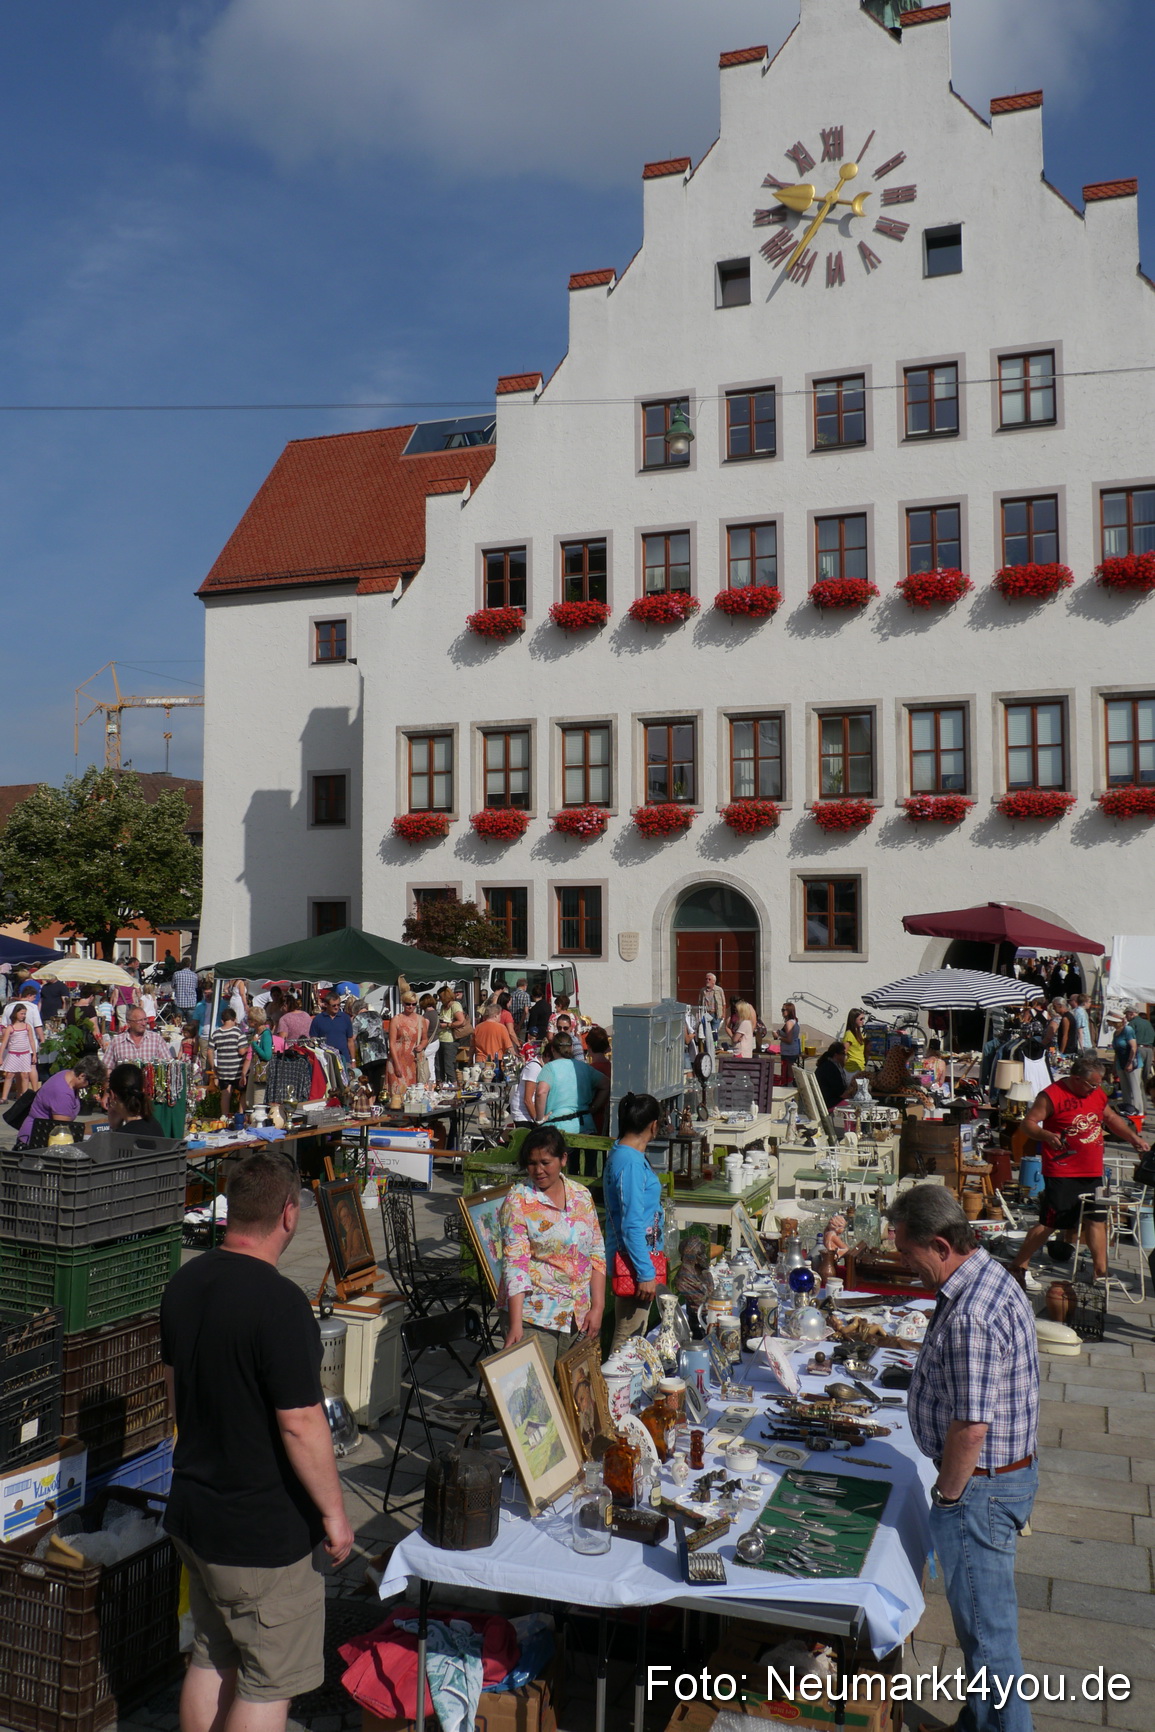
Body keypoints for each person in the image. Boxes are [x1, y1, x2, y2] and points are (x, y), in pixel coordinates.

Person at [161, 1150, 353, 1730]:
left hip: (196, 1509)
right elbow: (300, 1421)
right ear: (289, 1213)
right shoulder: (280, 1303)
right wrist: (335, 1512)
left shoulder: (186, 1279)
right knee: (270, 1681)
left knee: (212, 1654)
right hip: (258, 1530)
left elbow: (176, 1394)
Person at [887, 1184, 1038, 1732]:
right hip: (999, 1481)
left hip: (982, 1490)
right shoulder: (984, 1276)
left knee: (990, 1638)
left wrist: (948, 1497)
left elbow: (972, 1427)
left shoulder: (970, 1312)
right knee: (980, 1627)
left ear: (941, 1244)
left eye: (909, 1253)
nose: (907, 1266)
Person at [1010, 1054, 1148, 1284]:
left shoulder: (1096, 1093)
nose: (1096, 1089)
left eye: (1099, 1084)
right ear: (1075, 1078)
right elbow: (1028, 1123)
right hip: (1062, 1169)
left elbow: (1111, 1118)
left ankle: (1101, 1273)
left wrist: (1133, 1138)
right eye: (1092, 1084)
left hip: (1092, 1170)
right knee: (1050, 1223)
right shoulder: (1052, 1095)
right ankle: (1018, 1266)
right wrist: (1045, 1134)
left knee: (1097, 1219)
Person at [499, 1126, 606, 1371]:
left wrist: (597, 1307)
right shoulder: (518, 1200)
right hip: (534, 1315)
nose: (539, 1170)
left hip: (579, 1315)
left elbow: (597, 1253)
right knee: (539, 1395)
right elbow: (515, 1265)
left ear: (563, 1159)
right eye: (532, 1163)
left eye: (546, 1162)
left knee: (576, 1396)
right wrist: (515, 1325)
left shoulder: (581, 1195)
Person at [603, 1092, 666, 1349]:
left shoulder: (624, 1155)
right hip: (635, 1261)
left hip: (637, 1257)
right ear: (653, 1125)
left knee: (633, 1336)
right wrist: (645, 1272)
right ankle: (615, 1389)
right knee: (628, 1339)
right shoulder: (629, 1162)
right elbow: (631, 1223)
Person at [17, 1056, 106, 1146]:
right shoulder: (63, 1094)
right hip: (35, 1141)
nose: (89, 1086)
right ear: (82, 1075)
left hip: (39, 1135)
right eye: (90, 1083)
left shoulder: (65, 1074)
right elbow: (62, 1129)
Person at [531, 1032, 607, 1134]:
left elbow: (541, 1092)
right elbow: (606, 1084)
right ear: (571, 1048)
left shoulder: (549, 1068)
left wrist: (540, 1119)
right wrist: (594, 1107)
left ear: (553, 1049)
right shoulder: (584, 1067)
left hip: (558, 1129)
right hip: (585, 1126)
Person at [107, 1005, 179, 1070]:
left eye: (145, 1019)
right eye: (140, 1020)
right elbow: (107, 1067)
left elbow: (168, 1065)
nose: (144, 1023)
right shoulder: (117, 1042)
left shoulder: (156, 1039)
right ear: (129, 1022)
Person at [383, 992, 424, 1093]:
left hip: (412, 1060)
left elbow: (425, 1038)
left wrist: (422, 1045)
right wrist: (397, 1065)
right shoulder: (396, 1019)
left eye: (414, 1004)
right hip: (397, 1058)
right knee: (396, 1091)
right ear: (403, 1003)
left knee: (411, 1092)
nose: (411, 1006)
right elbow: (391, 1043)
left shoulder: (421, 1019)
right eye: (408, 1004)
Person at [210, 1009, 247, 1117]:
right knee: (243, 1092)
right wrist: (249, 1047)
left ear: (222, 1021)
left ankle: (224, 1116)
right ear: (235, 1019)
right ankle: (240, 1115)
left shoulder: (216, 1033)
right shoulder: (238, 1032)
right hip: (237, 1069)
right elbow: (241, 1051)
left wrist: (213, 1066)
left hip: (223, 1069)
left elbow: (209, 1051)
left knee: (225, 1093)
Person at [0, 1003, 39, 1101]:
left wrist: (34, 1053)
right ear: (16, 1013)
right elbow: (4, 1043)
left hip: (25, 1053)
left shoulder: (27, 1026)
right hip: (13, 1054)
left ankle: (23, 1096)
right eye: (22, 1013)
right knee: (9, 1075)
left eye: (25, 1014)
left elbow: (31, 1040)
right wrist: (0, 1056)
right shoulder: (11, 1027)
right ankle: (4, 1097)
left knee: (25, 1075)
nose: (23, 1016)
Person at [1109, 1012, 1144, 1117]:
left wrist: (1130, 1063)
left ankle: (1139, 1112)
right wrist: (1114, 1065)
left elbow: (1133, 1047)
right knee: (1125, 1089)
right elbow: (1116, 1051)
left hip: (1132, 1063)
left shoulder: (1127, 1030)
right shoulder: (1115, 1033)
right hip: (1121, 1063)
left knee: (1135, 1088)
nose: (1107, 1022)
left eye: (1108, 1020)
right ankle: (1128, 1110)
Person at [309, 991, 354, 1064]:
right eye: (334, 1005)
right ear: (326, 1005)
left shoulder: (345, 1018)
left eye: (338, 1005)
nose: (336, 1007)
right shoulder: (318, 1019)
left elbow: (350, 1040)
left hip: (344, 1059)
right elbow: (313, 1040)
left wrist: (353, 1060)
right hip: (325, 1060)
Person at [435, 985, 467, 1085]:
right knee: (440, 1066)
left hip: (450, 1040)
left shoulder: (455, 1005)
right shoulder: (443, 1007)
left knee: (449, 1065)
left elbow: (461, 1021)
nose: (439, 1000)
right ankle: (442, 1086)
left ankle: (454, 1086)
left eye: (440, 997)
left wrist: (448, 1025)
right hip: (441, 1039)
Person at [583, 1026, 612, 1134]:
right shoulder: (611, 1067)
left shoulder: (591, 1070)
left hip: (593, 1118)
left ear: (589, 1046)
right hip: (607, 1116)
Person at [815, 1039, 854, 1112]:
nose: (845, 1056)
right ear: (836, 1055)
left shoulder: (826, 1064)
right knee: (856, 1104)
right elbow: (841, 1092)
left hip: (822, 1101)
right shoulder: (831, 1068)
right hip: (829, 1103)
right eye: (843, 1054)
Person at [1129, 1003, 1155, 1092]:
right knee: (1146, 1074)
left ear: (1131, 1013)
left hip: (1138, 1049)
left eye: (1126, 1014)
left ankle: (1138, 1092)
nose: (1126, 1016)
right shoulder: (1147, 1023)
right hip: (1149, 1049)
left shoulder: (1132, 1023)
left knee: (1136, 1073)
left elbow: (1129, 1037)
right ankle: (1144, 1092)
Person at [777, 1002, 801, 1085]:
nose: (782, 1012)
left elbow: (789, 1040)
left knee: (787, 1071)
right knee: (789, 1070)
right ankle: (790, 1085)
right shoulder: (794, 1021)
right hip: (792, 1050)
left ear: (790, 1011)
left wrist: (778, 1037)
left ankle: (788, 1087)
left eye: (784, 1010)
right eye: (782, 1010)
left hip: (788, 1051)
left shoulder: (789, 1023)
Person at [699, 972, 726, 1039]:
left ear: (714, 981)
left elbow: (723, 1003)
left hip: (716, 1014)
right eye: (706, 979)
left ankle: (714, 1046)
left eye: (709, 979)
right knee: (706, 1032)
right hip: (706, 1014)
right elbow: (699, 1003)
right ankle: (707, 1046)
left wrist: (723, 1014)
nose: (707, 980)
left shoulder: (719, 990)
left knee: (714, 1032)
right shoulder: (703, 991)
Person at [843, 1008, 868, 1073]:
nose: (863, 1021)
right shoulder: (849, 1034)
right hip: (851, 1068)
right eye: (861, 1019)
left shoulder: (860, 1034)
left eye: (863, 1019)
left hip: (860, 1066)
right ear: (853, 1020)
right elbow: (844, 1052)